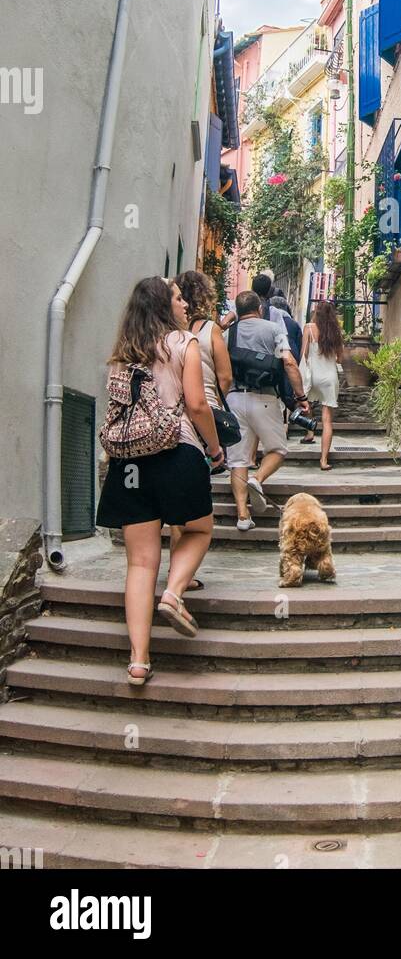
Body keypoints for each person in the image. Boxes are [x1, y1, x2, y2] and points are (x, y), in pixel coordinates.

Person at [96, 277, 222, 686]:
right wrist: (216, 450)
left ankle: (138, 660)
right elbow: (199, 405)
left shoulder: (121, 356)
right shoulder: (184, 343)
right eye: (178, 298)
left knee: (139, 562)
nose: (185, 303)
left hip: (130, 463)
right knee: (200, 529)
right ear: (165, 306)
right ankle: (173, 593)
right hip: (177, 451)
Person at [225, 291, 310, 529]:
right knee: (277, 449)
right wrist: (300, 396)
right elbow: (289, 362)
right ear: (260, 309)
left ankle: (243, 516)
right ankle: (257, 478)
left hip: (235, 399)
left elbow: (220, 370)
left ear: (238, 312)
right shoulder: (273, 329)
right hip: (266, 398)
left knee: (238, 460)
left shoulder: (226, 334)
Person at [174, 271, 238, 577]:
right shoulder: (211, 330)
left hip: (173, 414)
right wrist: (214, 400)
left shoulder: (167, 330)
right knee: (197, 492)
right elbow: (225, 376)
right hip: (202, 412)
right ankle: (182, 575)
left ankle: (178, 566)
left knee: (179, 494)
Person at [301, 301, 344, 471]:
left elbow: (303, 354)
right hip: (329, 377)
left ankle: (310, 431)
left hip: (313, 376)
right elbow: (340, 359)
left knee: (305, 404)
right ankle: (324, 460)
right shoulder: (335, 332)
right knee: (327, 420)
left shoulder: (309, 328)